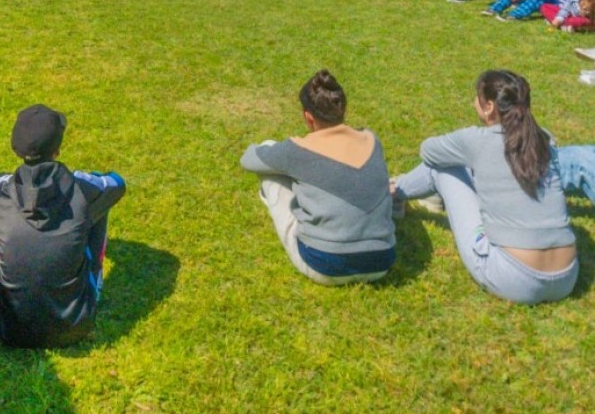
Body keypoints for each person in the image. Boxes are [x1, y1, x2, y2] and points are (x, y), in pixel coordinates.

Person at [391, 70, 578, 304]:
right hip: (567, 277)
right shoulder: (544, 140)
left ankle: (393, 193)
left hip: (514, 278)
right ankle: (397, 191)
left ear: (489, 106)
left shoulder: (476, 140)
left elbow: (428, 152)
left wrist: (463, 150)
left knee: (444, 167)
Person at [0, 104, 126, 348]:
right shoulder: (81, 187)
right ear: (57, 149)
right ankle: (90, 278)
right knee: (100, 204)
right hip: (74, 326)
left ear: (16, 147)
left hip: (5, 326)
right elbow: (116, 183)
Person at [240, 70, 396, 285]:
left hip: (325, 265)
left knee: (269, 167)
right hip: (382, 261)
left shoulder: (296, 149)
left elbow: (248, 160)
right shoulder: (371, 139)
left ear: (308, 117)